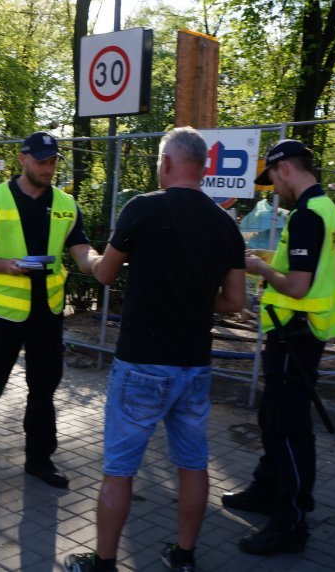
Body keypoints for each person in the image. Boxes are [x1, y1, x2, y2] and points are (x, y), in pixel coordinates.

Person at [62, 127, 246, 572]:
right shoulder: (226, 225)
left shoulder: (143, 208)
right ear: (203, 168)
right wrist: (196, 304)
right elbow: (235, 302)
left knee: (120, 469)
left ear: (166, 163)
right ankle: (184, 557)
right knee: (193, 464)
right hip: (194, 367)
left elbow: (104, 274)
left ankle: (104, 563)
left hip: (141, 364)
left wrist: (82, 256)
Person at [0, 131, 100, 494]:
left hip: (47, 315)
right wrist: (8, 266)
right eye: (41, 161)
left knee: (43, 391)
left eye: (53, 162)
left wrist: (98, 263)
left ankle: (39, 461)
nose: (48, 168)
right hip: (4, 317)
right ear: (23, 159)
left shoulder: (66, 203)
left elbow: (81, 252)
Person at [222, 139, 335, 556]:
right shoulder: (322, 209)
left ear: (285, 168)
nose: (273, 188)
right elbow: (303, 264)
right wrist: (270, 256)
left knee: (288, 427)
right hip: (297, 332)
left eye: (271, 179)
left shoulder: (309, 214)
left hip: (296, 333)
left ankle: (290, 520)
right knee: (274, 418)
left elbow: (297, 284)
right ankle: (267, 489)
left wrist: (258, 268)